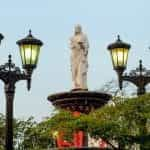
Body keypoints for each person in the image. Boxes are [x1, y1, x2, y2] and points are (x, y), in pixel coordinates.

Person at [70, 25, 89, 90]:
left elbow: (87, 46)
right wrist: (74, 45)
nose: (77, 29)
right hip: (75, 56)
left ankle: (82, 85)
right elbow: (71, 46)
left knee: (81, 70)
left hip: (81, 55)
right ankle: (76, 84)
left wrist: (82, 45)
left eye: (78, 28)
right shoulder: (72, 37)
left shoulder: (84, 36)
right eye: (76, 28)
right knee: (75, 70)